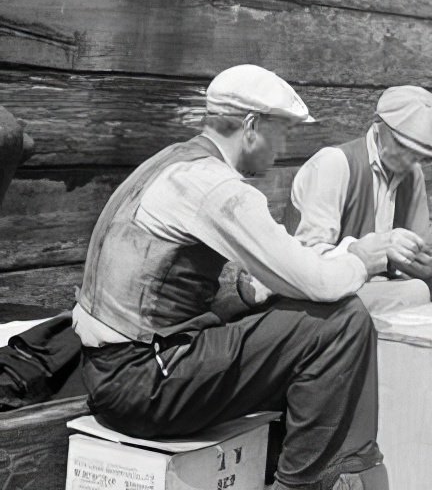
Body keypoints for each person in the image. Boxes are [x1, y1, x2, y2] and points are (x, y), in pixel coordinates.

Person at [73, 65, 405, 490]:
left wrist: (252, 293)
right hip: (144, 380)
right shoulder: (214, 186)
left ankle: (310, 465)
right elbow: (321, 283)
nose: (282, 147)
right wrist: (363, 260)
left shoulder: (170, 162)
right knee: (341, 320)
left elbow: (187, 286)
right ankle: (305, 483)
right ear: (251, 126)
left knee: (295, 314)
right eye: (281, 131)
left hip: (117, 369)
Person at [289, 85, 432, 314]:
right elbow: (306, 260)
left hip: (390, 285)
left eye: (419, 155)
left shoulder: (412, 174)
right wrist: (364, 250)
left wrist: (429, 265)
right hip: (332, 293)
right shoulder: (334, 163)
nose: (409, 159)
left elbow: (423, 248)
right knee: (413, 292)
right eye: (403, 146)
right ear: (378, 127)